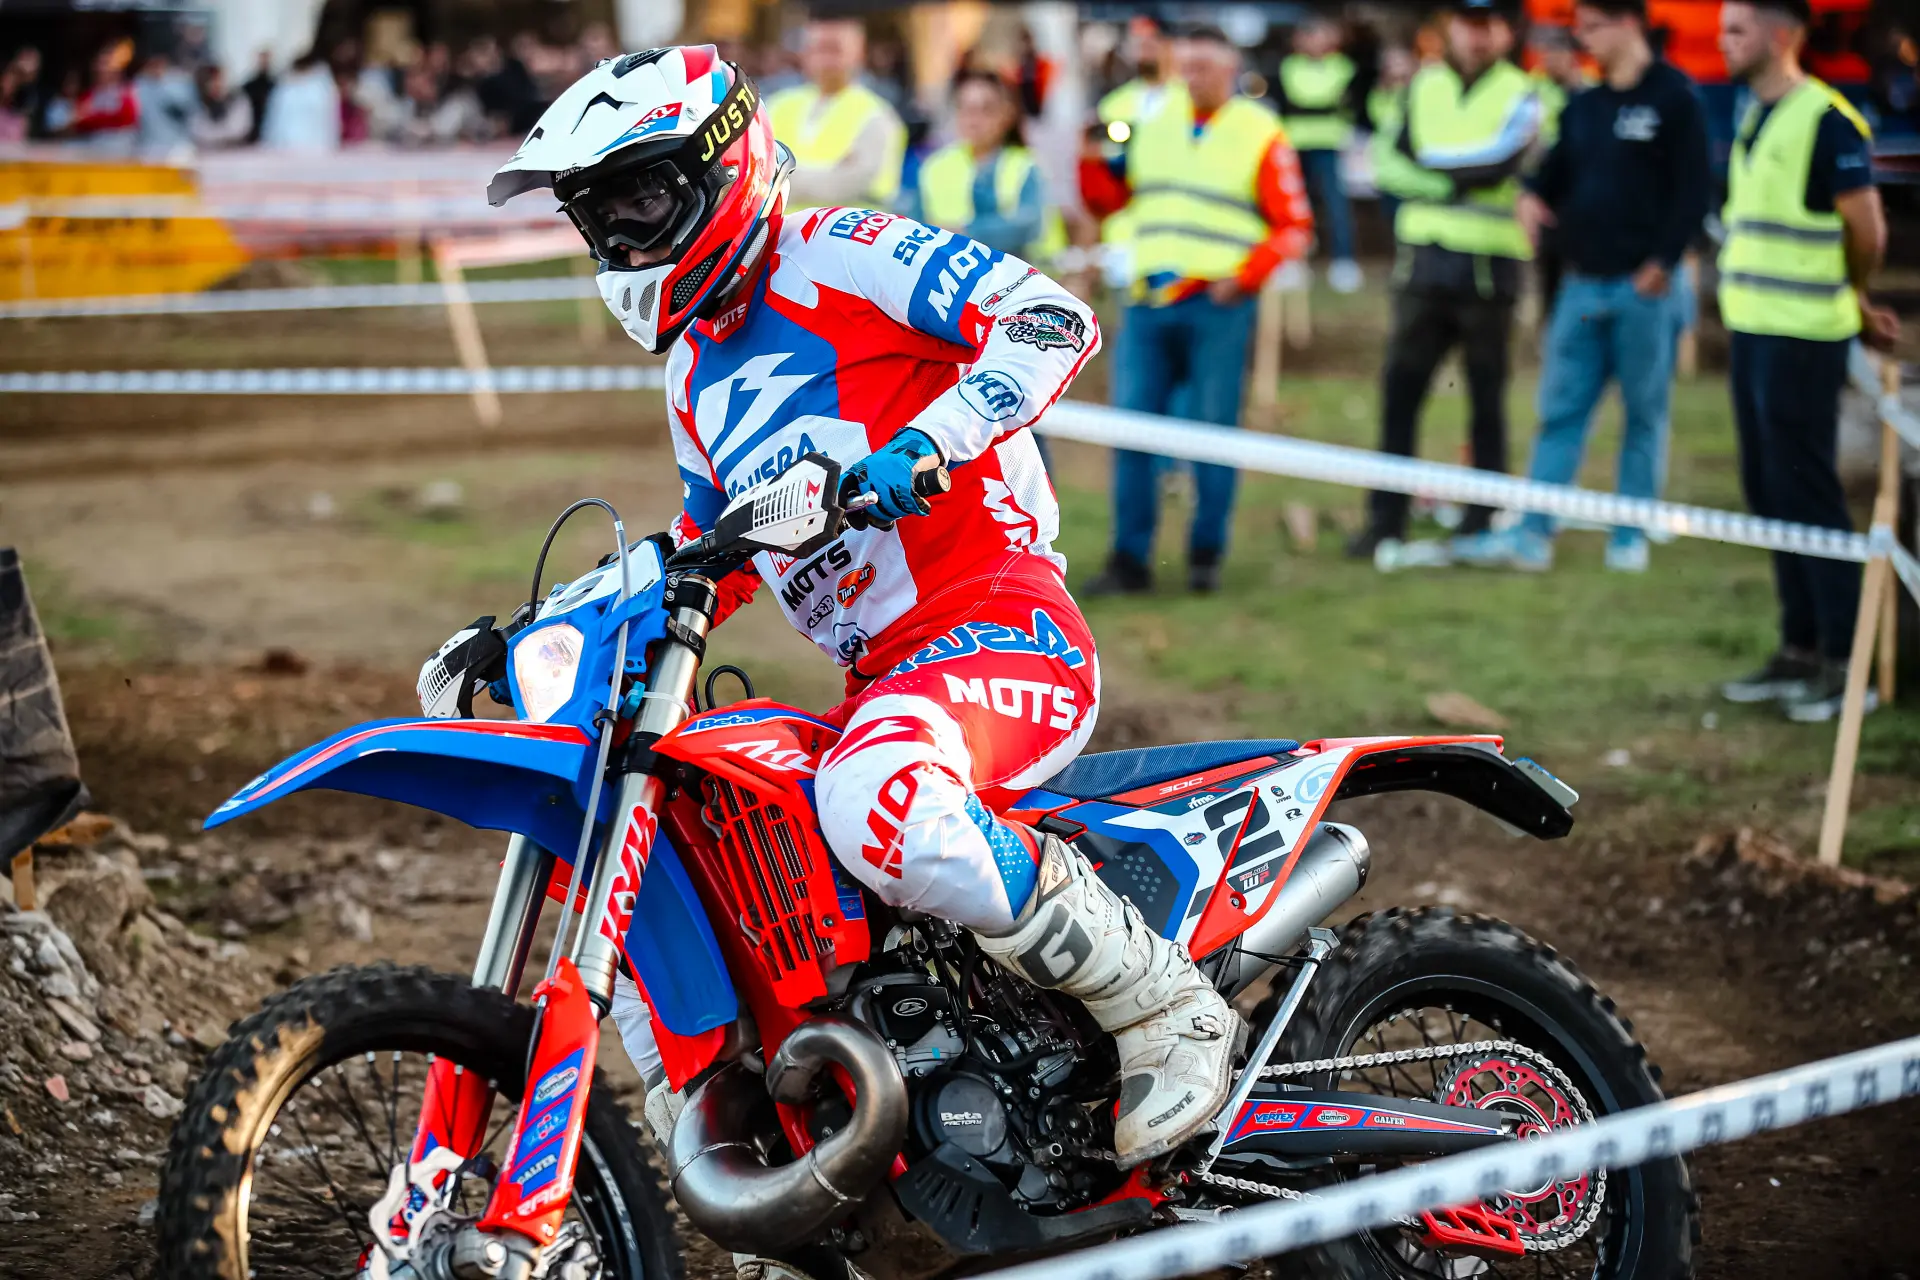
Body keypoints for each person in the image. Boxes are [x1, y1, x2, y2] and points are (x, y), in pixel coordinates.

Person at [487, 43, 1240, 1183]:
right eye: (602, 218)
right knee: (689, 855)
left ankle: (1164, 1001)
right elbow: (714, 550)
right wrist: (535, 626)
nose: (626, 241)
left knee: (876, 794)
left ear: (721, 166)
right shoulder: (694, 376)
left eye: (641, 200)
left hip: (1004, 620)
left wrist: (932, 441)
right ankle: (784, 1171)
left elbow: (1050, 319)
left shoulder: (838, 250)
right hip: (881, 677)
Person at [1079, 24, 1314, 594]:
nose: (1191, 78)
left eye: (1202, 67)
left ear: (1230, 68)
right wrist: (1088, 161)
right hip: (1147, 301)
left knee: (1213, 433)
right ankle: (1130, 560)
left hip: (1217, 304)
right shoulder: (1152, 121)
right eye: (1184, 67)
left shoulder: (1260, 131)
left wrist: (1245, 279)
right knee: (1132, 432)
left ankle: (1205, 554)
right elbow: (1113, 201)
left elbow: (1295, 226)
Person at [1714, 0, 1899, 721]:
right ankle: (1799, 647)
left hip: (1804, 334)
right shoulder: (1754, 112)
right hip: (1754, 327)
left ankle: (1847, 663)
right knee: (1769, 491)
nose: (1724, 41)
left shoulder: (1826, 119)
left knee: (1806, 494)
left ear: (1782, 34)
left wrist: (1854, 295)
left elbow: (1868, 229)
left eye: (1738, 29)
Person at [1484, 0, 1710, 574]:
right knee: (1560, 409)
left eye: (1591, 28)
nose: (1582, 40)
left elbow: (1695, 191)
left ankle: (1629, 533)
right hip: (1582, 288)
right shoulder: (1584, 106)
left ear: (1628, 23)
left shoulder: (1675, 98)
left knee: (1644, 414)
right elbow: (1553, 175)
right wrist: (1530, 196)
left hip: (1645, 290)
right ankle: (1535, 530)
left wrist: (1663, 261)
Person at [1347, 0, 1541, 571]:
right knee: (1399, 395)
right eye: (1468, 24)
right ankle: (1385, 519)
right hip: (1425, 267)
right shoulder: (1422, 86)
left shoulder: (1522, 93)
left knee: (1487, 401)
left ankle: (1483, 517)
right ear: (1450, 28)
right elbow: (1386, 162)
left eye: (1488, 26)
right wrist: (1450, 184)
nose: (1477, 37)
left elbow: (1501, 164)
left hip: (1488, 270)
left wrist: (1429, 169)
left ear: (1505, 32)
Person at [910, 69, 1060, 262]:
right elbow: (914, 225)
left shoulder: (1025, 165)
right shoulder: (934, 166)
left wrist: (963, 233)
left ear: (1006, 114)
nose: (974, 120)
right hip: (948, 272)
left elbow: (1029, 225)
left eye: (985, 110)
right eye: (966, 109)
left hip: (1020, 272)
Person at [768, 18, 907, 209]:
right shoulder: (777, 106)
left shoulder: (877, 115)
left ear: (859, 54)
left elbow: (844, 185)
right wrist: (831, 170)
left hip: (850, 228)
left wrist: (780, 175)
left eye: (834, 49)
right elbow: (753, 170)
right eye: (818, 49)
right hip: (782, 227)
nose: (826, 59)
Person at [1094, 16, 1184, 292]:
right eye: (1137, 42)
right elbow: (1102, 171)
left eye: (1151, 40)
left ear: (1169, 45)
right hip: (1129, 226)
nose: (1144, 48)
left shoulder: (1191, 100)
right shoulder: (1113, 106)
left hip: (1180, 225)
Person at [1278, 17, 1363, 293]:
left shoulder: (1344, 67)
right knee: (1293, 206)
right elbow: (1301, 98)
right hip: (1295, 145)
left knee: (1337, 206)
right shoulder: (1289, 66)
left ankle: (1344, 262)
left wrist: (1316, 106)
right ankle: (1293, 262)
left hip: (1330, 145)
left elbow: (1322, 99)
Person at [1365, 46, 1417, 230]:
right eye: (1392, 64)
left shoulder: (1417, 93)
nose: (1397, 69)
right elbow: (1378, 116)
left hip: (1412, 175)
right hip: (1387, 172)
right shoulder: (1380, 95)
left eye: (1401, 63)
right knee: (1390, 220)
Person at [261, 48, 341, 150]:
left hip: (316, 143)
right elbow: (276, 118)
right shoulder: (286, 86)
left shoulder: (320, 86)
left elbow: (329, 118)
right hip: (288, 144)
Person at [72, 41, 140, 154]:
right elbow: (79, 122)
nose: (101, 69)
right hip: (92, 148)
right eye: (99, 63)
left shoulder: (126, 91)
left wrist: (94, 117)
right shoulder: (88, 95)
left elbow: (128, 117)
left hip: (120, 149)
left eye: (106, 63)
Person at [133, 51, 198, 154]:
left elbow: (189, 110)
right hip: (148, 146)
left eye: (159, 63)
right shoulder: (138, 85)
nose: (156, 67)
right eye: (152, 63)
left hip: (178, 146)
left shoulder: (180, 82)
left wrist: (162, 85)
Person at [191, 63, 252, 148]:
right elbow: (197, 131)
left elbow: (239, 130)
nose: (216, 85)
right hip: (207, 151)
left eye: (219, 80)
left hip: (237, 150)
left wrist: (215, 134)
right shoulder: (198, 103)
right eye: (211, 82)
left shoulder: (238, 100)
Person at [241, 50, 275, 145]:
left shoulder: (276, 86)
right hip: (253, 129)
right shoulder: (249, 86)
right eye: (262, 60)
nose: (264, 62)